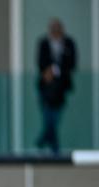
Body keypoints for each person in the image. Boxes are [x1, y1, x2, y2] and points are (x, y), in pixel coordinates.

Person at [36, 18, 77, 154]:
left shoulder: (69, 43)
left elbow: (72, 64)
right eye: (53, 29)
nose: (55, 31)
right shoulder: (43, 43)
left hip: (61, 87)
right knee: (48, 114)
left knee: (56, 116)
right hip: (45, 87)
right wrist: (46, 72)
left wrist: (55, 70)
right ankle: (54, 146)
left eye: (57, 28)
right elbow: (40, 62)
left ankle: (45, 138)